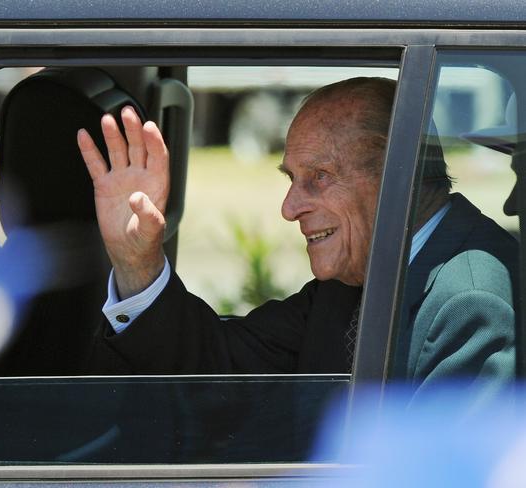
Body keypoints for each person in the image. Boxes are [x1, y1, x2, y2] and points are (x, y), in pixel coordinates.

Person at [76, 77, 517, 391]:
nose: (289, 208)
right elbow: (217, 373)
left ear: (394, 172)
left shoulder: (470, 302)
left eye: (319, 176)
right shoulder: (353, 284)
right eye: (291, 178)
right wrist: (138, 261)